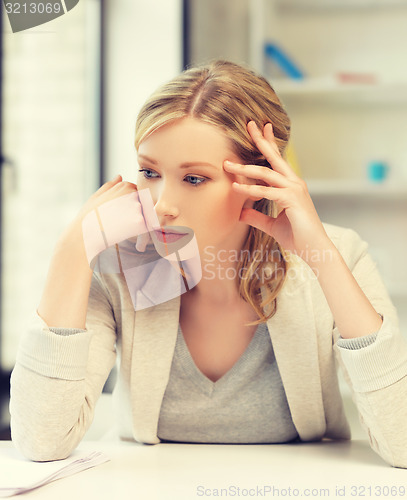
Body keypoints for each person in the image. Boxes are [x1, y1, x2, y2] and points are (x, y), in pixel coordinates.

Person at [10, 60, 407, 467]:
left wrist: (321, 259)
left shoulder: (339, 255)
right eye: (149, 171)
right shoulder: (120, 267)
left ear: (259, 181)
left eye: (194, 178)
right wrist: (71, 250)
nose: (162, 205)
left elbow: (403, 443)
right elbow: (42, 441)